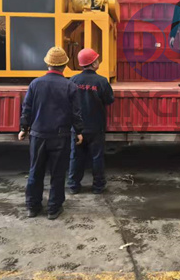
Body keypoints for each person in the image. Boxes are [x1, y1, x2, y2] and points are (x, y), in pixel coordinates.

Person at [19, 47, 84, 220]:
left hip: (38, 135)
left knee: (35, 171)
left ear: (47, 64)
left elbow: (27, 108)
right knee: (57, 173)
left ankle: (33, 207)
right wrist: (79, 131)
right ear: (65, 65)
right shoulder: (70, 86)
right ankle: (53, 209)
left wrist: (23, 128)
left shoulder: (35, 84)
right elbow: (76, 113)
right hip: (60, 136)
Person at [67, 49, 115, 194]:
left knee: (75, 157)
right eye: (97, 60)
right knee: (97, 157)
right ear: (93, 64)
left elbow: (67, 100)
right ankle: (98, 187)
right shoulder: (102, 81)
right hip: (96, 126)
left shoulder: (73, 80)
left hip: (77, 128)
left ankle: (74, 186)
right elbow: (109, 99)